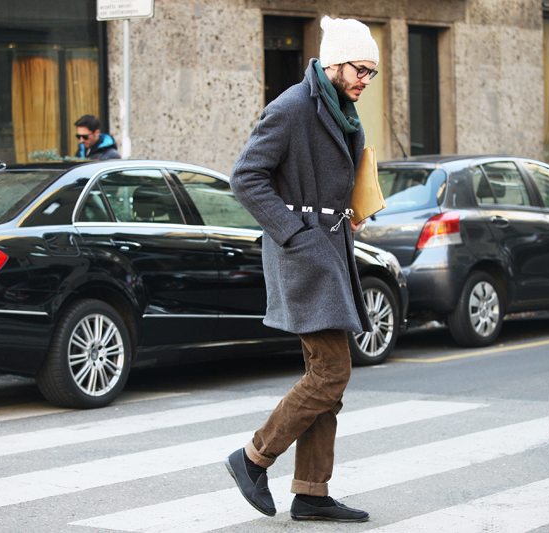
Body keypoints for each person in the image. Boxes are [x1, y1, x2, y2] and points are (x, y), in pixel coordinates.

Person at [224, 16, 378, 522]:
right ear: (333, 61)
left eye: (372, 73)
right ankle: (252, 458)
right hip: (304, 256)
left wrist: (346, 214)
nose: (365, 80)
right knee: (332, 372)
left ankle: (311, 491)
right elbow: (246, 177)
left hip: (330, 251)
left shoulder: (342, 110)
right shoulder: (292, 107)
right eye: (360, 69)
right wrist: (295, 232)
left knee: (324, 378)